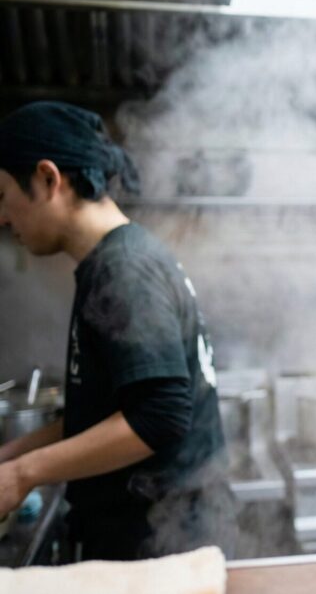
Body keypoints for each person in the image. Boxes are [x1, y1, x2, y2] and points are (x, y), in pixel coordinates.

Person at [0, 102, 236, 561]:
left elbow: (159, 415)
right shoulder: (118, 259)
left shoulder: (123, 268)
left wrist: (23, 474)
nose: (3, 218)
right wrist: (12, 454)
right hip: (155, 536)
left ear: (49, 179)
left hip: (163, 543)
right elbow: (108, 413)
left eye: (3, 196)